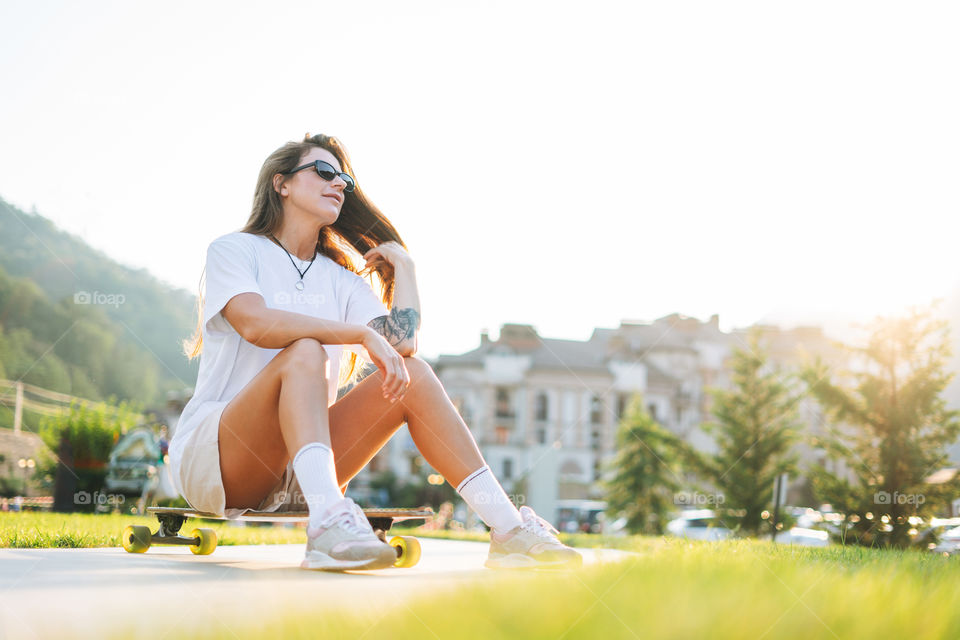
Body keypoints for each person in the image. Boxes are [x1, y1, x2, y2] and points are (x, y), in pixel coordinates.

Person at [170, 133, 581, 572]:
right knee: (305, 351)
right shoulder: (235, 250)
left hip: (296, 477)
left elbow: (401, 343)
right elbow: (255, 323)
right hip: (220, 460)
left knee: (415, 374)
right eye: (324, 172)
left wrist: (405, 267)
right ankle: (328, 523)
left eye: (344, 179)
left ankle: (508, 530)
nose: (339, 185)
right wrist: (356, 334)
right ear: (281, 183)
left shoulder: (341, 279)